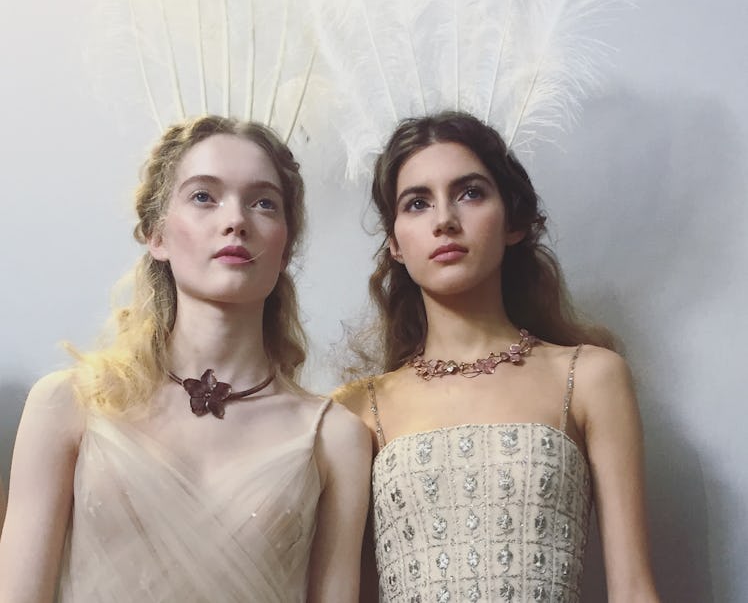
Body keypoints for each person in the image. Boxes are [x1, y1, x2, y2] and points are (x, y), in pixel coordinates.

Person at [0, 115, 371, 603]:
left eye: (263, 203)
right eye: (203, 196)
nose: (235, 220)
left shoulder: (336, 436)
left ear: (285, 247)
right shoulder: (67, 405)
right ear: (157, 235)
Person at [336, 111, 660, 602]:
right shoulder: (359, 409)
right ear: (395, 244)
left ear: (512, 221)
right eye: (418, 203)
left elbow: (634, 590)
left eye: (469, 193)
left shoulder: (590, 376)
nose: (444, 220)